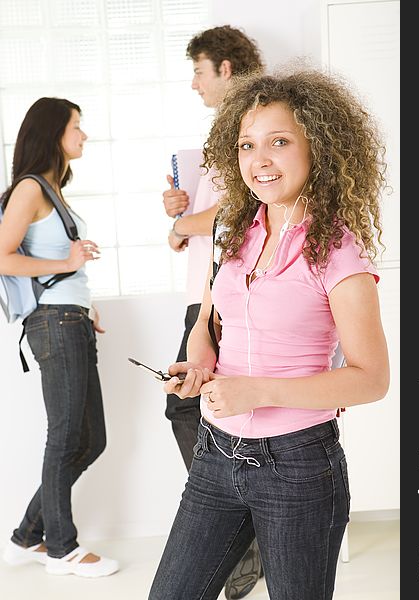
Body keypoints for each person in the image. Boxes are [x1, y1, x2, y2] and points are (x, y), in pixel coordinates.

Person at [148, 68, 390, 600]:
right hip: (216, 455)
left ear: (318, 148)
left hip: (299, 468)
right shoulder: (235, 231)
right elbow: (209, 325)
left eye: (279, 142)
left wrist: (257, 391)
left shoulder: (339, 255)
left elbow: (371, 379)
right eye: (246, 145)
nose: (260, 159)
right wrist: (199, 364)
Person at [162, 25, 264, 599]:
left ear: (225, 67)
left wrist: (184, 223)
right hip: (204, 290)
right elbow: (209, 221)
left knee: (195, 412)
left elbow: (246, 208)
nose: (194, 82)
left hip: (224, 294)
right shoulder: (218, 140)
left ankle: (242, 537)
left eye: (199, 70)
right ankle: (244, 538)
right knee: (198, 412)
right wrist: (181, 214)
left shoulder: (251, 127)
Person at [0, 98, 118, 578]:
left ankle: (28, 536)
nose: (84, 135)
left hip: (70, 318)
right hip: (53, 322)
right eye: (77, 126)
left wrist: (84, 300)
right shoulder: (30, 188)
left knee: (92, 440)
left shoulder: (51, 190)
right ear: (53, 133)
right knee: (66, 436)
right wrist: (67, 266)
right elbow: (3, 257)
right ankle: (61, 548)